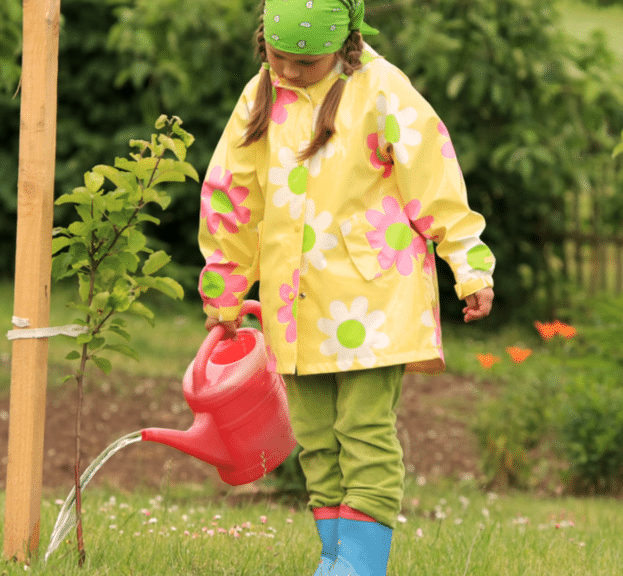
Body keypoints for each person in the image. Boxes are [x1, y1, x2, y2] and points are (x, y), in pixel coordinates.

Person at [197, 1, 495, 575]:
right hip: (293, 306)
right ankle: (335, 560)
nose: (288, 72)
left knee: (363, 431)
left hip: (374, 300)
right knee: (314, 438)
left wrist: (470, 265)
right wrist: (224, 294)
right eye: (278, 58)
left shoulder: (383, 90)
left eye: (305, 63)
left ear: (343, 44)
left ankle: (361, 565)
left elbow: (434, 184)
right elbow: (231, 198)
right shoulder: (260, 96)